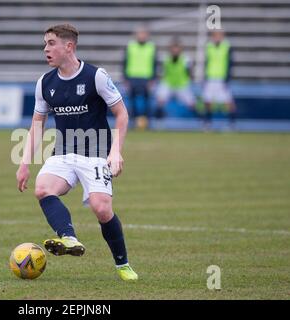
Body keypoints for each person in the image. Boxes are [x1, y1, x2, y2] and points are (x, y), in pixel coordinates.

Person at [16, 24, 138, 281]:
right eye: (45, 44)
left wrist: (116, 152)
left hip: (95, 151)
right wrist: (24, 163)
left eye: (50, 43)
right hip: (63, 151)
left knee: (101, 209)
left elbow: (121, 113)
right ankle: (68, 237)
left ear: (68, 46)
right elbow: (37, 124)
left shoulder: (96, 76)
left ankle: (123, 264)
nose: (45, 49)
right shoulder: (45, 83)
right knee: (43, 188)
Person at [123, 26, 158, 127]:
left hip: (146, 77)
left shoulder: (151, 47)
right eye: (140, 34)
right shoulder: (130, 46)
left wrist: (153, 79)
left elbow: (154, 64)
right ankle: (133, 121)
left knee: (147, 101)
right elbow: (125, 62)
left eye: (144, 34)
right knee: (132, 100)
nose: (142, 36)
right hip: (132, 77)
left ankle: (147, 122)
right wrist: (125, 78)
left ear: (147, 35)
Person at [155, 38, 196, 119]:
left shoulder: (185, 59)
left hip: (181, 85)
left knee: (192, 103)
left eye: (177, 48)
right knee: (160, 99)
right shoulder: (166, 59)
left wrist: (188, 81)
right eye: (173, 48)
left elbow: (190, 73)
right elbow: (163, 72)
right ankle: (159, 121)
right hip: (169, 83)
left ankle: (199, 122)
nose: (175, 50)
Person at [203, 30, 236, 128]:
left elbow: (230, 62)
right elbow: (207, 62)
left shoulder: (227, 46)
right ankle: (208, 123)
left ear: (222, 36)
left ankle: (232, 123)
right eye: (215, 35)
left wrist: (227, 77)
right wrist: (205, 77)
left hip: (221, 78)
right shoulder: (209, 46)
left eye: (219, 35)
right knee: (207, 101)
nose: (217, 37)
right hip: (210, 78)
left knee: (228, 102)